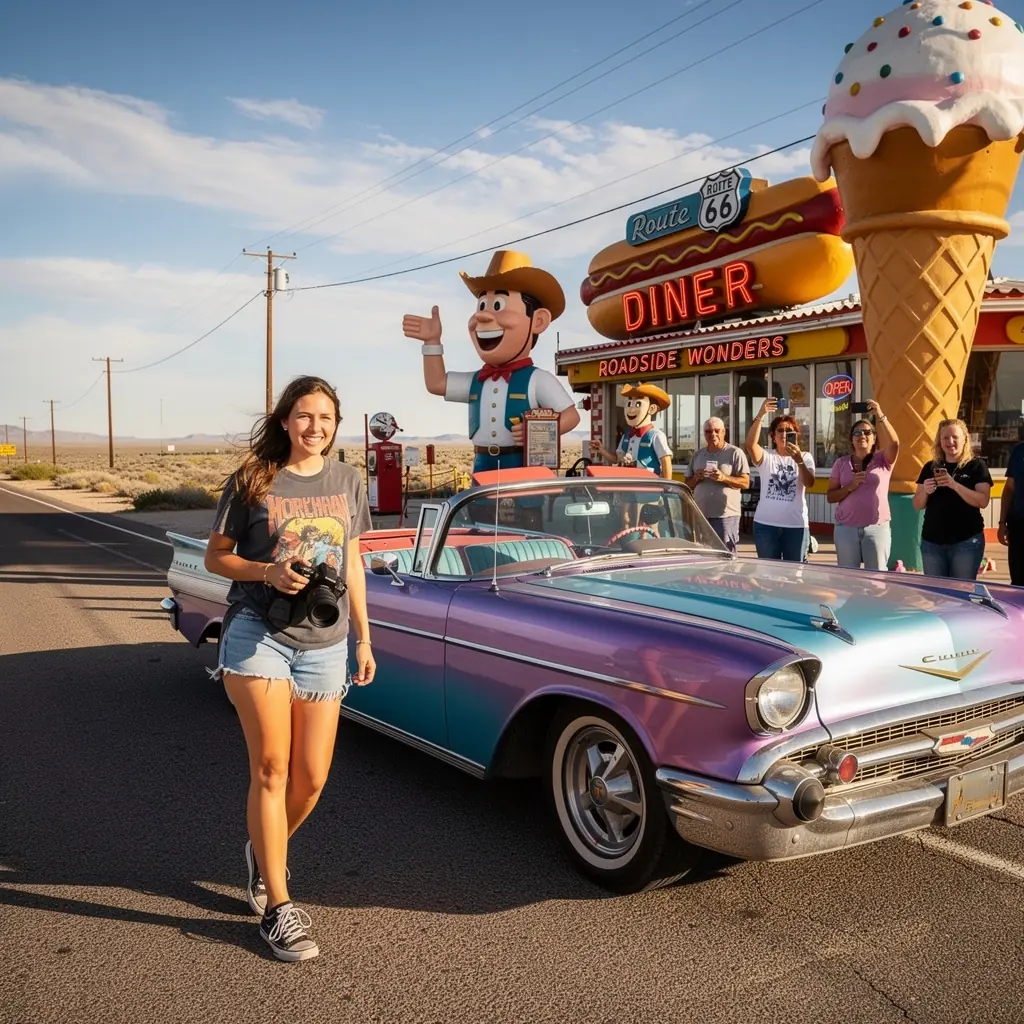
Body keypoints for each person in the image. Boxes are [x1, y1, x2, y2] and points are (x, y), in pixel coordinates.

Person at [204, 376, 374, 962]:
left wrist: (364, 639)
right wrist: (267, 572)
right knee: (272, 768)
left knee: (312, 777)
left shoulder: (348, 481)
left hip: (326, 640)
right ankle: (278, 906)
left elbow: (353, 561)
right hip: (259, 632)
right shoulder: (255, 479)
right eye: (304, 416)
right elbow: (217, 556)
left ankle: (263, 849)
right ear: (285, 420)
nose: (315, 427)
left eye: (326, 418)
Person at [402, 250, 579, 474]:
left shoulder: (538, 379)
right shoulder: (477, 380)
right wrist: (432, 342)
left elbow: (571, 416)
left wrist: (536, 432)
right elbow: (436, 383)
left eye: (498, 306)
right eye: (481, 306)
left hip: (521, 463)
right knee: (481, 499)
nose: (482, 316)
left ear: (538, 321)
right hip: (482, 462)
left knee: (522, 499)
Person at [912, 417, 992, 580]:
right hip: (932, 542)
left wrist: (954, 485)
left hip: (966, 541)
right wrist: (925, 491)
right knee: (935, 592)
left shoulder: (976, 466)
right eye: (945, 438)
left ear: (965, 439)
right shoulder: (930, 467)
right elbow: (917, 505)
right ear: (939, 441)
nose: (950, 442)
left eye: (955, 437)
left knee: (961, 591)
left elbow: (983, 501)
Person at [826, 400, 900, 570]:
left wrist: (880, 414)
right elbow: (830, 496)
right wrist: (850, 487)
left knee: (876, 579)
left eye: (867, 432)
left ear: (874, 438)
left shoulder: (883, 460)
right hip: (846, 529)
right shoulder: (841, 463)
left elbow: (895, 443)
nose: (862, 436)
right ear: (852, 439)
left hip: (876, 529)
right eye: (857, 433)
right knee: (848, 578)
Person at [745, 398, 816, 562]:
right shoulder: (767, 456)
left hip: (795, 525)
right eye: (780, 430)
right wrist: (761, 414)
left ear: (796, 435)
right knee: (768, 571)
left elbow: (809, 483)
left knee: (795, 571)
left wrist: (799, 460)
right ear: (773, 436)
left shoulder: (805, 457)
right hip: (766, 525)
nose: (784, 434)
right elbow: (750, 445)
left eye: (789, 431)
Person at [684, 417, 750, 553]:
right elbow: (687, 485)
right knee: (702, 554)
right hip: (701, 515)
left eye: (716, 430)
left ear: (724, 432)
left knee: (725, 554)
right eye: (708, 431)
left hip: (726, 516)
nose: (712, 434)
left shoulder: (735, 453)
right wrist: (696, 478)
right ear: (704, 434)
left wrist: (724, 477)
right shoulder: (698, 455)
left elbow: (745, 483)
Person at [589, 382, 673, 479]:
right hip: (629, 484)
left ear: (652, 409)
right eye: (629, 404)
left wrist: (667, 485)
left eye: (638, 404)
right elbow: (617, 459)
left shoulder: (656, 435)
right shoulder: (627, 436)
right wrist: (602, 450)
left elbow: (666, 461)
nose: (631, 410)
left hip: (649, 485)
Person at [999, 437, 1024, 586]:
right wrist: (1002, 523)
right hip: (1019, 525)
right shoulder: (1019, 450)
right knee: (1018, 582)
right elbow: (1009, 488)